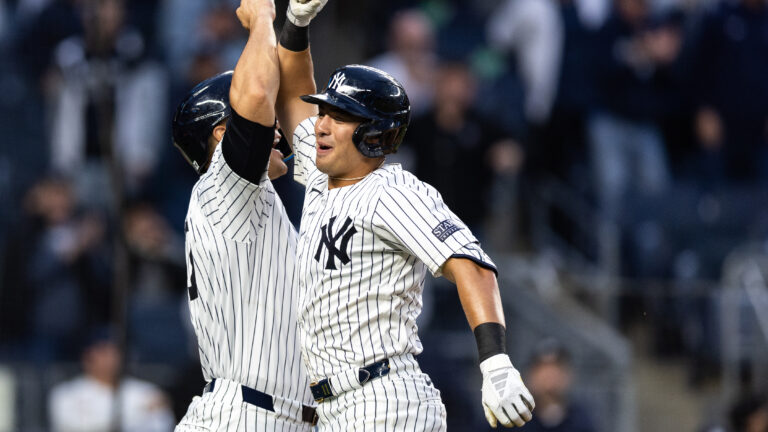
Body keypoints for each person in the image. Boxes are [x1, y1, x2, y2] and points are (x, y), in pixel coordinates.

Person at [274, 6, 536, 429]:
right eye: (324, 111)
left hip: (384, 401)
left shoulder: (393, 191)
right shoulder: (325, 175)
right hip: (334, 407)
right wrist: (296, 26)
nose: (321, 124)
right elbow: (292, 95)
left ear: (373, 133)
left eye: (338, 116)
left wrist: (496, 364)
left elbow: (472, 266)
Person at [170, 0, 327, 429]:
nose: (278, 127)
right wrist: (261, 18)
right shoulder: (224, 187)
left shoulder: (250, 198)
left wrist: (296, 30)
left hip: (273, 415)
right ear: (222, 134)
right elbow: (257, 94)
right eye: (264, 121)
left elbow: (302, 116)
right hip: (246, 415)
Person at [48, 329, 175, 432]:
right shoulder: (66, 394)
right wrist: (140, 412)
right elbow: (77, 427)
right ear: (87, 356)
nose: (111, 357)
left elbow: (162, 426)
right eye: (103, 351)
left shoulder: (147, 392)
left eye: (115, 350)